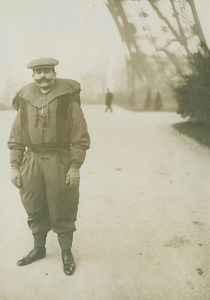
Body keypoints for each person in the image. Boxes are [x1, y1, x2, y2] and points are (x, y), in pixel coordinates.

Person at [7, 57, 90, 276]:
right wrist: (15, 166)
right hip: (32, 160)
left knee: (63, 202)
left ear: (54, 73)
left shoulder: (67, 98)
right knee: (34, 203)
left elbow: (79, 136)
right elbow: (16, 137)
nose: (43, 76)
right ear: (33, 75)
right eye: (39, 72)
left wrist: (74, 167)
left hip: (58, 159)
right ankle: (39, 248)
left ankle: (66, 252)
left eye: (47, 71)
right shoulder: (25, 99)